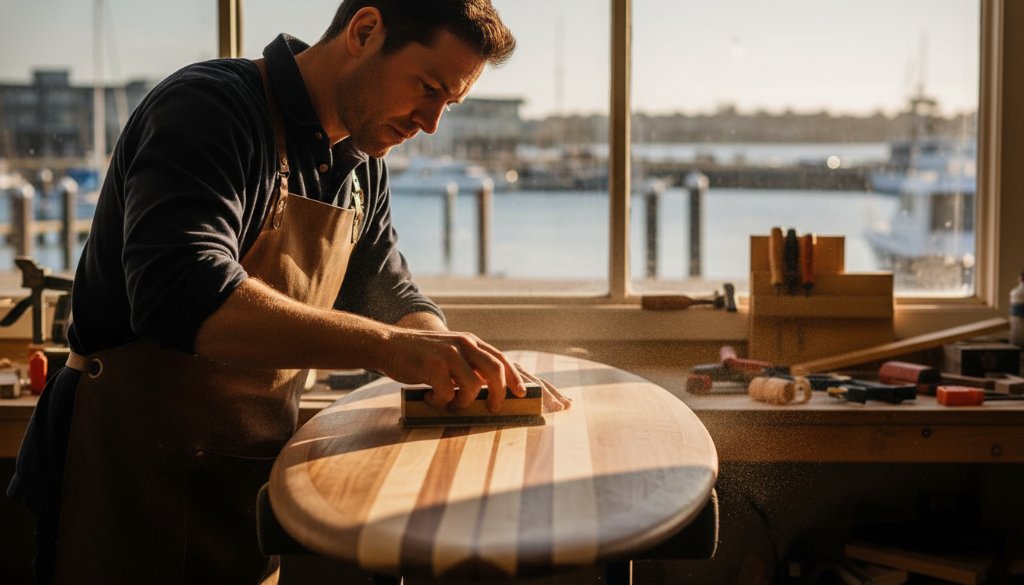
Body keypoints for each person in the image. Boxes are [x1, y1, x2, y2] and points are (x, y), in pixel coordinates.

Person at [7, 1, 544, 583]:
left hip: (246, 482)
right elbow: (181, 292)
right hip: (124, 476)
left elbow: (386, 290)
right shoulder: (212, 109)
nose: (432, 122)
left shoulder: (362, 164)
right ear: (364, 32)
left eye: (450, 102)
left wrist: (445, 354)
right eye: (428, 86)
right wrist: (389, 348)